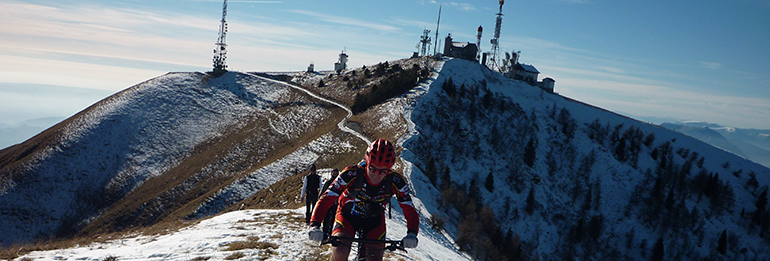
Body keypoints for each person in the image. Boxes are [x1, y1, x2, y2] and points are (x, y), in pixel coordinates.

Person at [307, 139, 419, 261]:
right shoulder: (350, 174)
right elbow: (326, 198)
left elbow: (409, 209)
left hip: (374, 221)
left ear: (390, 168)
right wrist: (315, 224)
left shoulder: (396, 182)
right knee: (340, 252)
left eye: (383, 171)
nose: (376, 174)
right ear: (367, 161)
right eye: (372, 168)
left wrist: (412, 233)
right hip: (347, 215)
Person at [320, 168, 340, 240]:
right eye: (333, 172)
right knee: (326, 218)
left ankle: (331, 233)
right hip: (328, 203)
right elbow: (323, 192)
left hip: (336, 204)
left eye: (336, 173)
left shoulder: (340, 183)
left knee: (334, 219)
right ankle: (325, 233)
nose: (334, 174)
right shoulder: (328, 183)